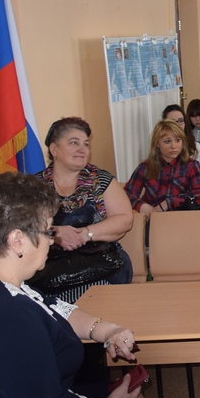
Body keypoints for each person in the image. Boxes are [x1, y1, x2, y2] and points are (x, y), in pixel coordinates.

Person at [0, 173, 166, 398]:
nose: (52, 240)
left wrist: (106, 330)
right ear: (16, 240)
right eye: (49, 231)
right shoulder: (10, 317)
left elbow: (51, 306)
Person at [35, 117, 134, 301]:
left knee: (92, 298)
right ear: (54, 149)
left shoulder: (102, 180)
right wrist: (55, 232)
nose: (82, 149)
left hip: (102, 266)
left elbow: (124, 220)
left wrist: (86, 234)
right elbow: (20, 228)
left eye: (86, 144)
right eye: (74, 143)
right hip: (49, 271)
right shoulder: (34, 186)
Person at [124, 120, 200, 217]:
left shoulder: (192, 165)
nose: (174, 146)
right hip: (153, 219)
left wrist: (169, 202)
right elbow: (126, 194)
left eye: (177, 140)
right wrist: (141, 206)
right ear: (157, 144)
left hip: (181, 219)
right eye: (167, 141)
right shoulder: (145, 167)